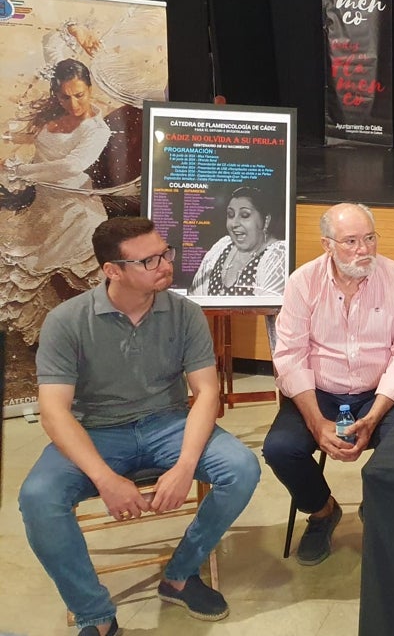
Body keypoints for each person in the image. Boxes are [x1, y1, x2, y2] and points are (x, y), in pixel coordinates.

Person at [17, 217, 260, 634]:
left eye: (166, 253)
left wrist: (185, 466)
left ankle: (180, 574)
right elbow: (55, 410)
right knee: (38, 498)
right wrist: (105, 479)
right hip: (96, 430)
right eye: (150, 260)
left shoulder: (184, 313)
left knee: (242, 468)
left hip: (167, 424)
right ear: (112, 271)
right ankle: (95, 613)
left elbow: (205, 392)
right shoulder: (67, 321)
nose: (166, 264)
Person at [264, 202, 394, 565]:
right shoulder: (302, 283)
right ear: (327, 245)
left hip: (380, 392)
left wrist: (374, 416)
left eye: (369, 238)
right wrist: (316, 422)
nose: (363, 250)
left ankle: (378, 508)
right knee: (280, 448)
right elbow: (289, 357)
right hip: (318, 392)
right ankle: (322, 511)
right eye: (350, 241)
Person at [0, 60, 112, 343]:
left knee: (92, 269)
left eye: (80, 95)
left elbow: (71, 166)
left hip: (76, 208)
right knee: (19, 271)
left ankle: (99, 340)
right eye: (65, 96)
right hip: (42, 206)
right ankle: (47, 341)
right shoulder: (51, 113)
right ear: (56, 94)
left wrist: (18, 170)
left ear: (89, 89)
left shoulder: (97, 130)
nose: (73, 104)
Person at [189, 185, 288, 298]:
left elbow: (268, 309)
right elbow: (194, 300)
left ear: (265, 220)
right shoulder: (221, 247)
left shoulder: (278, 255)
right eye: (230, 215)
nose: (234, 224)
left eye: (244, 215)